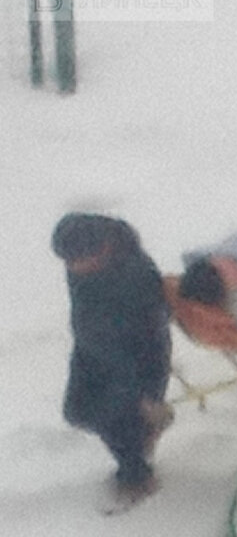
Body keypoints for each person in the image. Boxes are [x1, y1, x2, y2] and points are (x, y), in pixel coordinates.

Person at [52, 213, 174, 508]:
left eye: (77, 259)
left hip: (135, 361)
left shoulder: (136, 275)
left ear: (102, 248)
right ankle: (145, 434)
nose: (72, 267)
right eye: (67, 260)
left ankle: (137, 478)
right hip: (91, 351)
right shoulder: (84, 260)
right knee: (78, 411)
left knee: (117, 416)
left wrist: (143, 393)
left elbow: (151, 336)